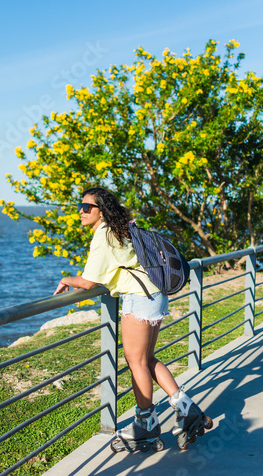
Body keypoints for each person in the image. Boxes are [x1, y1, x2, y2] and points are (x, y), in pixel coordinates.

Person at [54, 187, 212, 451]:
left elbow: (89, 282)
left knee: (136, 361)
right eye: (79, 207)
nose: (80, 212)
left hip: (139, 299)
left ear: (101, 211)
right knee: (146, 360)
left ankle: (146, 425)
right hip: (154, 295)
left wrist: (65, 279)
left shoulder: (103, 235)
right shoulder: (121, 228)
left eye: (86, 207)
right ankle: (186, 409)